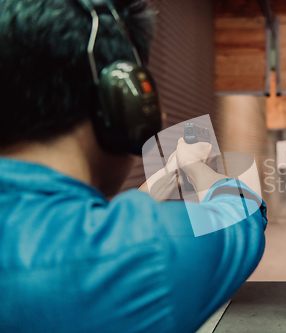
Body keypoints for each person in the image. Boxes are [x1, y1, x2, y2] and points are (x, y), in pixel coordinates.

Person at [0, 0, 267, 332]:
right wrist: (199, 170)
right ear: (122, 106)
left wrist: (160, 183)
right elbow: (243, 212)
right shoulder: (136, 256)